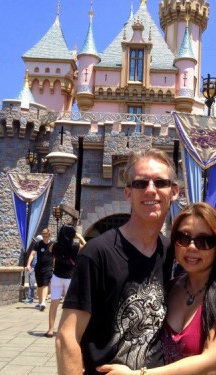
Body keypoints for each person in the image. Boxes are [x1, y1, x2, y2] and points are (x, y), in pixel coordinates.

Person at [98, 202, 216, 375]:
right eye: (183, 238)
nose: (191, 247)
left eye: (204, 241)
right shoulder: (170, 288)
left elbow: (211, 366)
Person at [56, 149, 180, 375]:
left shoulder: (171, 252)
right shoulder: (97, 253)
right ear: (128, 193)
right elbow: (67, 337)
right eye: (141, 183)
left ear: (174, 192)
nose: (150, 190)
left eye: (160, 182)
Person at [44, 224, 81, 338]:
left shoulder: (54, 246)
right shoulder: (76, 246)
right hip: (69, 278)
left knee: (54, 304)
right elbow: (87, 246)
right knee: (70, 305)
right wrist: (79, 236)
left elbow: (50, 249)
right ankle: (68, 330)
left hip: (56, 277)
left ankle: (50, 330)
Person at [26, 228, 53, 311]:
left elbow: (55, 256)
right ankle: (40, 302)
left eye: (46, 236)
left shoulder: (52, 245)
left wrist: (55, 266)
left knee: (45, 284)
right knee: (40, 286)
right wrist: (28, 264)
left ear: (49, 236)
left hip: (48, 268)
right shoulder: (38, 244)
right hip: (38, 268)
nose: (45, 238)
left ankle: (43, 302)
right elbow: (32, 254)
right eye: (44, 236)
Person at [24, 235, 41, 304]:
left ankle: (41, 300)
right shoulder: (35, 247)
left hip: (41, 267)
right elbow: (32, 255)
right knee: (31, 283)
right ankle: (31, 298)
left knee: (41, 284)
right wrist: (28, 265)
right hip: (33, 267)